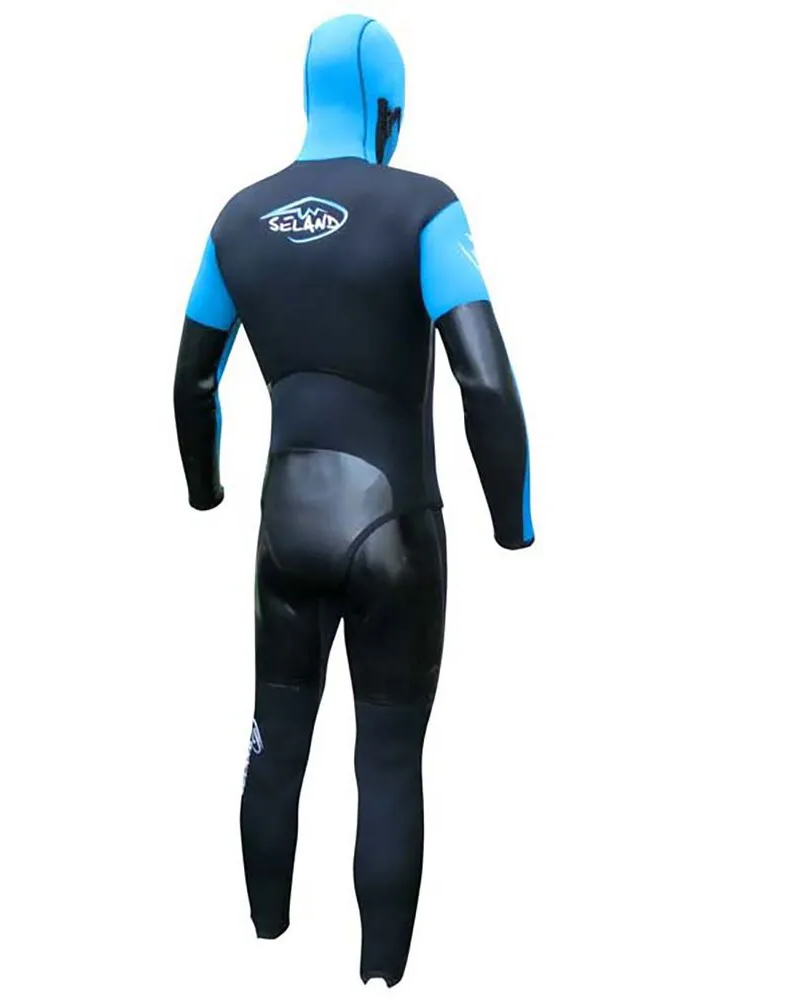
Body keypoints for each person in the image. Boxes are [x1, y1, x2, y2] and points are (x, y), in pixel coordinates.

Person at [173, 13, 534, 987]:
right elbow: (486, 383)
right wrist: (512, 523)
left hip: (284, 527)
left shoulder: (236, 220)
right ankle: (379, 975)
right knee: (386, 761)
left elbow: (193, 384)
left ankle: (263, 935)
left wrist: (205, 491)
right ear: (387, 107)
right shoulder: (424, 208)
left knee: (273, 740)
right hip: (395, 529)